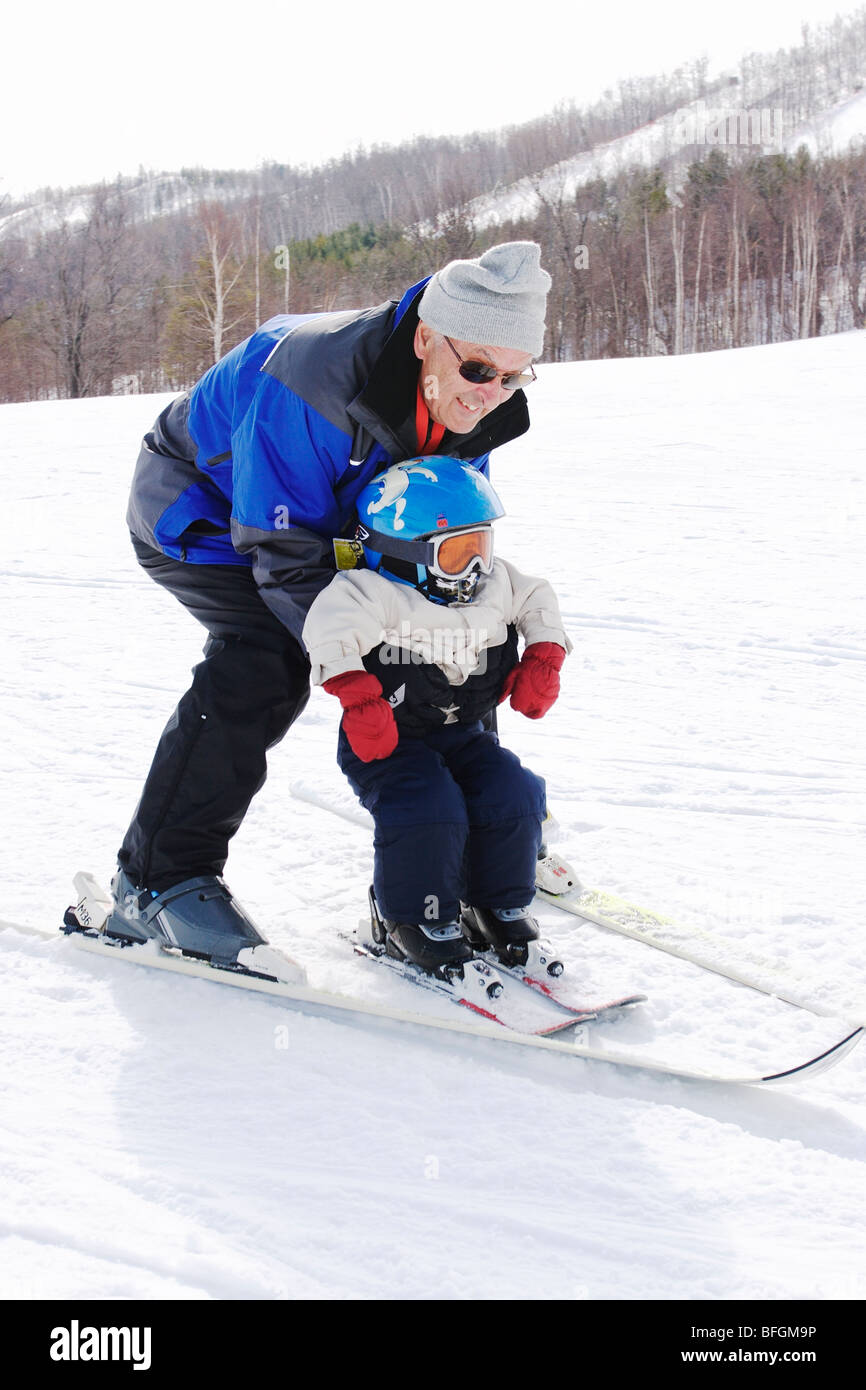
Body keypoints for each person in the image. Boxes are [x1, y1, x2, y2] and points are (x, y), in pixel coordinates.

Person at [105, 242, 552, 979]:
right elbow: (279, 551)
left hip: (336, 528)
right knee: (271, 659)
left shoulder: (472, 401)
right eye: (477, 370)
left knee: (450, 627)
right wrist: (360, 657)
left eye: (512, 376)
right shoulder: (311, 380)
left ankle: (471, 829)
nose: (490, 393)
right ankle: (157, 879)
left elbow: (443, 548)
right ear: (425, 341)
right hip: (207, 516)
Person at [303, 457, 571, 977]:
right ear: (406, 552)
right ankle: (411, 919)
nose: (475, 569)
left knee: (514, 793)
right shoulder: (373, 593)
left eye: (481, 549)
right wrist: (359, 698)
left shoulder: (494, 585)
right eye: (457, 555)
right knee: (428, 805)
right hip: (388, 744)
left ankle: (495, 903)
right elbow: (330, 631)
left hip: (463, 735)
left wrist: (544, 655)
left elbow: (539, 598)